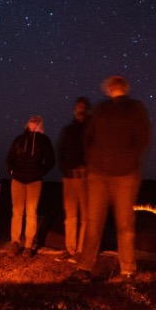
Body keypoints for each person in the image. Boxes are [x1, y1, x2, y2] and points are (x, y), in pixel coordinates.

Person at [69, 75, 151, 283]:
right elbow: (88, 136)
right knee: (93, 223)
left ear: (125, 86)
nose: (115, 84)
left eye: (119, 81)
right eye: (112, 82)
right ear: (107, 88)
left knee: (125, 225)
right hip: (98, 175)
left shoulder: (135, 108)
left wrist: (129, 160)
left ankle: (128, 271)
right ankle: (84, 267)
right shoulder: (100, 109)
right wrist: (92, 161)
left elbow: (143, 137)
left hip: (125, 175)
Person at [5, 115, 55, 257]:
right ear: (27, 123)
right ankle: (15, 243)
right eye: (32, 119)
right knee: (17, 212)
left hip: (34, 181)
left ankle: (28, 246)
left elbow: (51, 160)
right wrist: (12, 171)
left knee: (31, 213)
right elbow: (9, 158)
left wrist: (40, 172)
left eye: (37, 120)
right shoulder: (19, 139)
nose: (34, 120)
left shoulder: (44, 141)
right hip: (17, 181)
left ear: (40, 124)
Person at [57, 97, 90, 259]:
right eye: (78, 107)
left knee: (85, 217)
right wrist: (64, 168)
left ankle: (81, 250)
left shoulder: (91, 130)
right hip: (69, 177)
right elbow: (60, 150)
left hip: (85, 177)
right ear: (74, 110)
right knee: (70, 216)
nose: (80, 110)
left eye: (83, 107)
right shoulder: (68, 130)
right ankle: (70, 248)